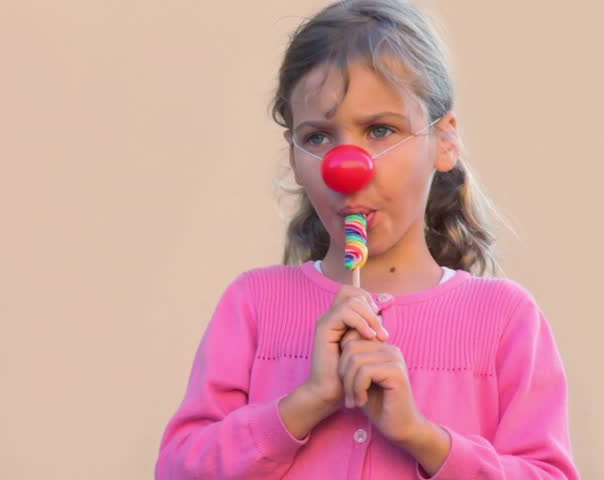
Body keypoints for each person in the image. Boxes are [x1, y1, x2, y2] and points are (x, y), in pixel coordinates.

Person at [154, 0, 580, 479]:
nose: (346, 167)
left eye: (380, 130)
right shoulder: (253, 304)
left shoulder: (505, 318)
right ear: (293, 157)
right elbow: (177, 469)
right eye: (318, 137)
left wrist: (422, 436)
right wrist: (306, 403)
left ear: (444, 142)